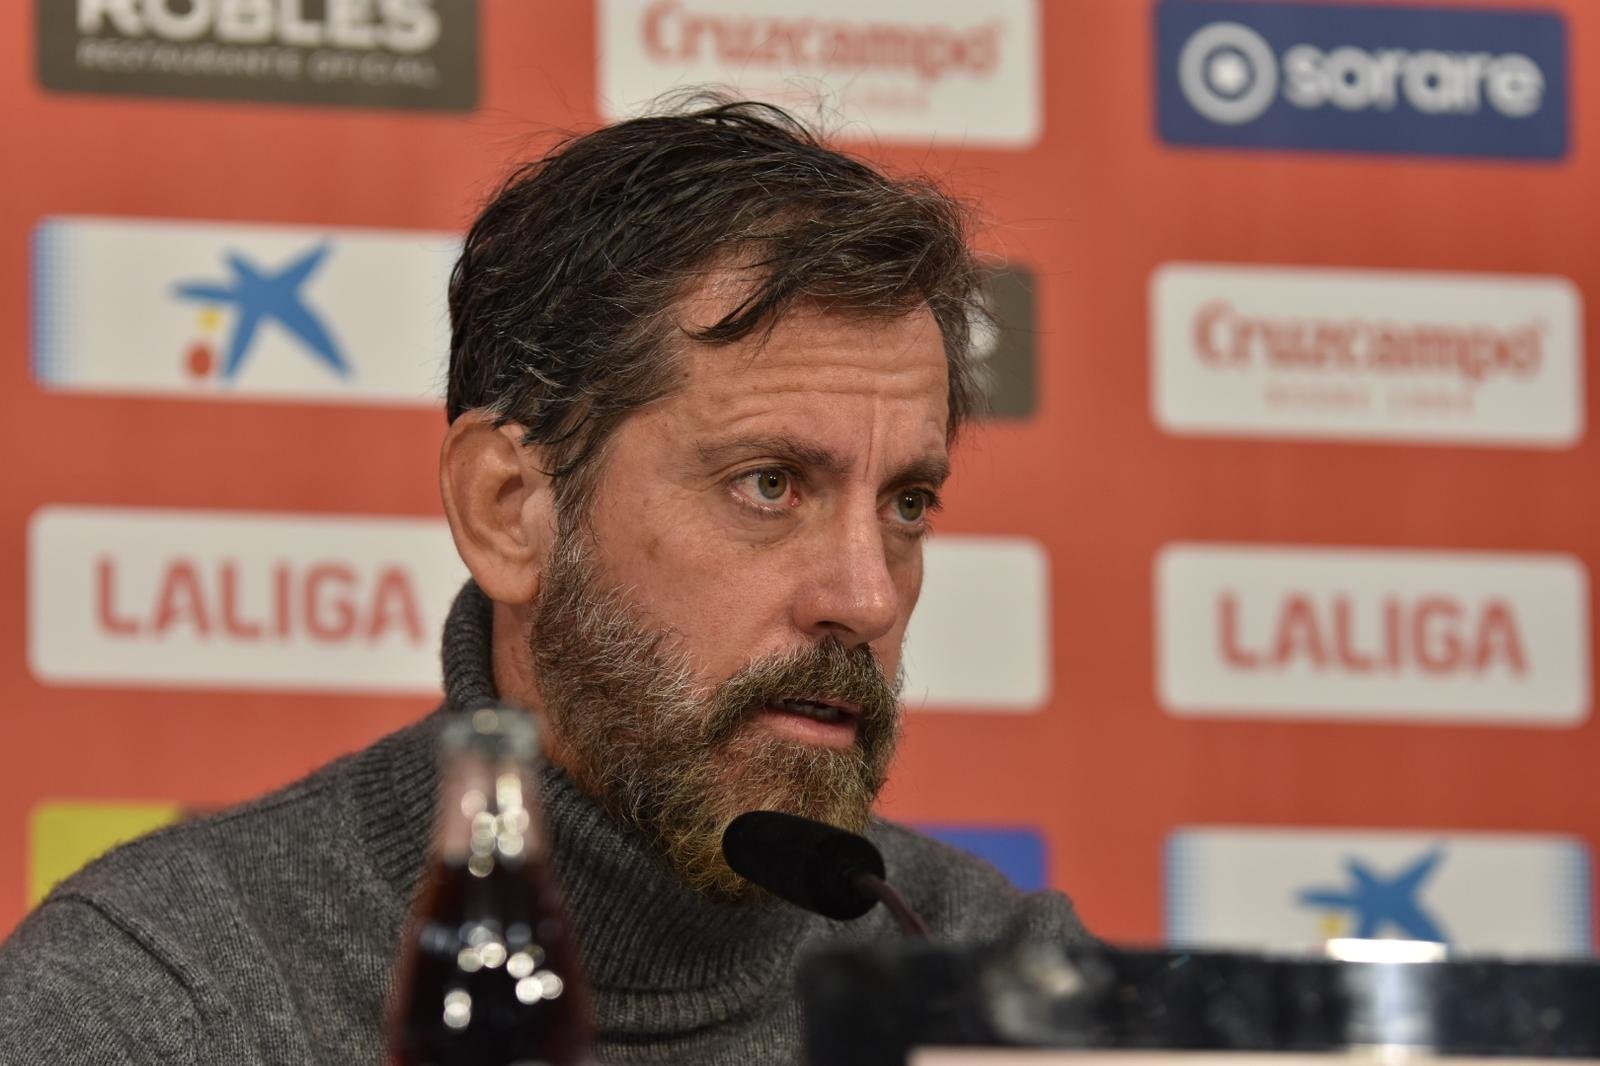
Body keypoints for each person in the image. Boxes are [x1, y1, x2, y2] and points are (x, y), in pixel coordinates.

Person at [0, 97, 1089, 1064]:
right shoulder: (169, 995)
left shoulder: (993, 978)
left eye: (906, 503)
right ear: (508, 511)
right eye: (769, 484)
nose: (867, 595)